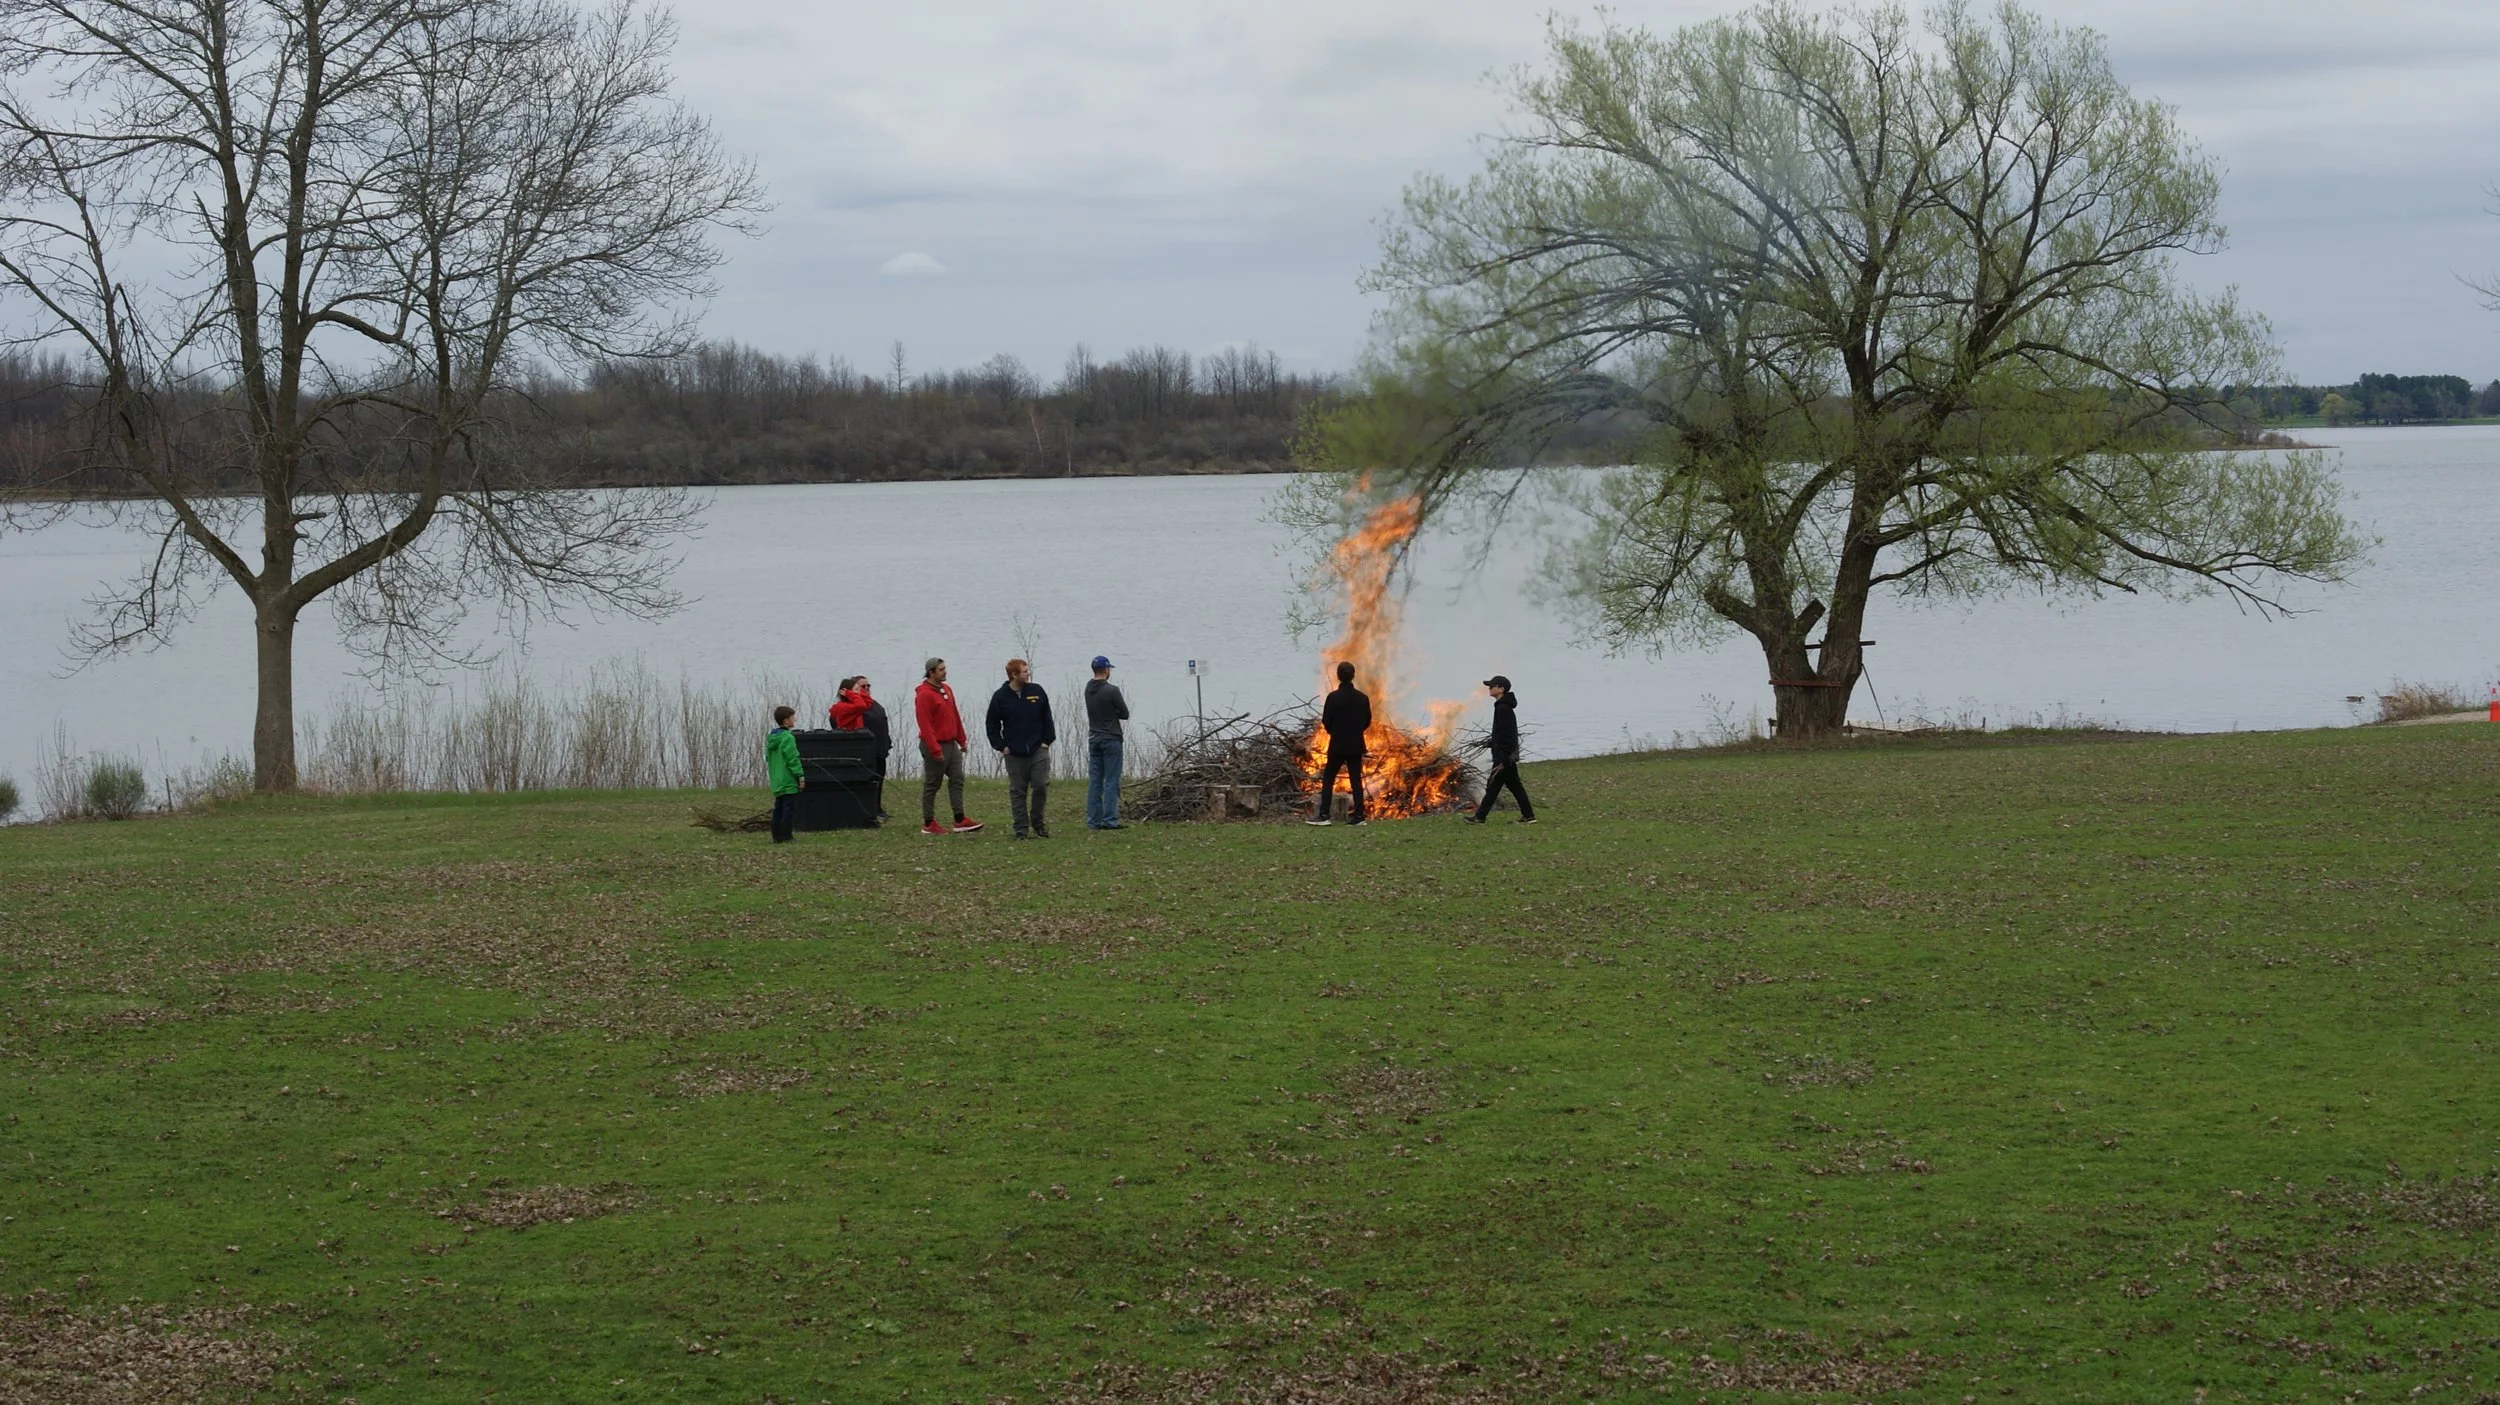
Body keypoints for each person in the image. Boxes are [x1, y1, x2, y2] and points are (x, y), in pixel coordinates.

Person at [985, 658, 1057, 839]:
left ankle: (1038, 823)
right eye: (1024, 671)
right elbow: (991, 724)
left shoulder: (1036, 691)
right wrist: (1002, 746)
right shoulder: (1000, 697)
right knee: (1018, 791)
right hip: (1014, 754)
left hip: (1038, 750)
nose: (1028, 673)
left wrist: (1047, 741)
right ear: (1014, 675)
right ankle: (1021, 830)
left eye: (1027, 670)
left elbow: (1047, 717)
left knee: (1040, 786)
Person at [914, 658, 983, 835]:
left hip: (951, 743)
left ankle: (959, 820)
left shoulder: (947, 689)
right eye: (941, 669)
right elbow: (925, 725)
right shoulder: (924, 695)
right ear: (931, 672)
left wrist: (961, 739)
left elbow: (954, 715)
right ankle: (929, 823)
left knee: (957, 779)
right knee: (933, 783)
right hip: (935, 745)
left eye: (945, 668)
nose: (945, 672)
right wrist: (934, 749)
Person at [1465, 674, 1537, 825]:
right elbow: (1503, 734)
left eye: (1492, 686)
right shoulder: (1503, 707)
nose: (1489, 689)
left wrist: (1503, 760)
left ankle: (1480, 817)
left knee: (1493, 787)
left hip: (1504, 758)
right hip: (1506, 756)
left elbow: (1508, 736)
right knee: (1514, 786)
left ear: (1501, 689)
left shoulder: (1503, 708)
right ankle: (1529, 816)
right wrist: (1493, 742)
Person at [1309, 660, 1371, 827]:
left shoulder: (1333, 698)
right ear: (1353, 676)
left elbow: (1326, 721)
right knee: (1356, 780)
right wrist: (1355, 732)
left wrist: (1335, 732)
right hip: (1356, 745)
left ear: (1338, 676)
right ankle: (1359, 816)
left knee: (1329, 777)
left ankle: (1324, 815)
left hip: (1337, 744)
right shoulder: (1362, 698)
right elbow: (1367, 721)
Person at [831, 675, 893, 822]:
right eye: (859, 688)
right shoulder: (846, 707)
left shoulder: (864, 705)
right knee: (863, 780)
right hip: (857, 749)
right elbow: (861, 706)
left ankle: (875, 808)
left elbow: (867, 703)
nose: (863, 691)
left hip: (873, 748)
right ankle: (863, 810)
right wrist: (851, 694)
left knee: (877, 779)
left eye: (867, 687)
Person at [1083, 655, 1129, 830]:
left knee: (1095, 781)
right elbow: (1124, 713)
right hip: (1111, 738)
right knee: (1111, 780)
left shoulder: (1088, 688)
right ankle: (1110, 820)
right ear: (1106, 670)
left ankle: (1093, 821)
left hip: (1094, 738)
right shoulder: (1112, 690)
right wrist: (1112, 713)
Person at [765, 704, 805, 844]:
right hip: (788, 779)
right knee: (789, 809)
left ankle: (777, 836)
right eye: (792, 718)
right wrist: (800, 775)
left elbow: (767, 758)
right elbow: (792, 758)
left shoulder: (771, 738)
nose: (794, 720)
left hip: (776, 779)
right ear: (786, 721)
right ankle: (787, 835)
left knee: (778, 808)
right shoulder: (788, 737)